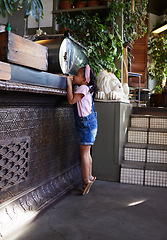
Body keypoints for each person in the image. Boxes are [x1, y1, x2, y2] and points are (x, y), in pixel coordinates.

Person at [66, 65, 98, 195]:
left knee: (84, 154)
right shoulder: (88, 88)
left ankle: (85, 181)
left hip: (85, 126)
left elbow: (71, 100)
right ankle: (89, 177)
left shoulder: (83, 88)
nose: (74, 76)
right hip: (91, 124)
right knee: (87, 153)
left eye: (77, 75)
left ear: (85, 79)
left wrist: (69, 84)